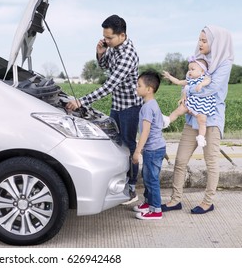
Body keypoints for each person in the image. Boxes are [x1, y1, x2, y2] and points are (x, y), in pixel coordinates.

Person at [66, 14, 142, 204]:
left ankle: (131, 187)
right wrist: (100, 53)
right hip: (117, 105)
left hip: (130, 107)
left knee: (128, 145)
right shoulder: (115, 48)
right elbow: (105, 66)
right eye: (104, 37)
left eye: (109, 38)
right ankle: (119, 183)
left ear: (122, 35)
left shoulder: (128, 55)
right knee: (116, 144)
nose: (106, 40)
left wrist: (81, 101)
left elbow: (109, 86)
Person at [162, 25, 234, 214]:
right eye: (199, 39)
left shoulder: (224, 63)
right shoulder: (198, 59)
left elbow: (212, 88)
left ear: (216, 42)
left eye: (204, 40)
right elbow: (187, 78)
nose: (200, 43)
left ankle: (208, 201)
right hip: (191, 118)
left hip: (210, 119)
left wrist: (187, 91)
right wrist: (184, 91)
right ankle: (175, 199)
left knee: (211, 162)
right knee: (180, 160)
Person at [132, 70, 166, 220]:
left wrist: (137, 151)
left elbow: (145, 132)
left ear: (149, 89)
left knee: (151, 179)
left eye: (139, 85)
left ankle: (156, 209)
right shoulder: (152, 104)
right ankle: (148, 202)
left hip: (152, 149)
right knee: (148, 177)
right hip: (155, 148)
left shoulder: (147, 107)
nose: (136, 88)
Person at [163, 57, 215, 147]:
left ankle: (201, 137)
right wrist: (169, 76)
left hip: (202, 105)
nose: (189, 71)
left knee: (202, 120)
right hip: (190, 103)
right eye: (189, 69)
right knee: (179, 110)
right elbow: (178, 82)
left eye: (192, 69)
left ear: (202, 71)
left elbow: (208, 80)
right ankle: (168, 120)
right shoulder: (189, 81)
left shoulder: (204, 78)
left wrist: (201, 84)